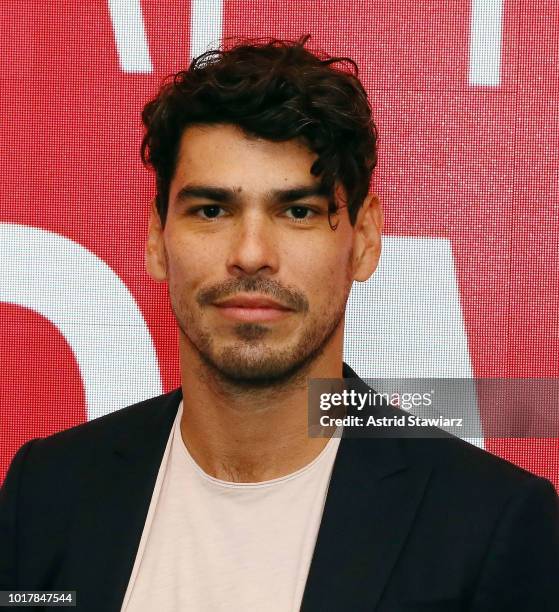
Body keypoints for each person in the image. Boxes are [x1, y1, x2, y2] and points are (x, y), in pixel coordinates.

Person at [1, 36, 558, 612]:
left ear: (364, 240)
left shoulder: (490, 524)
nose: (250, 253)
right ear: (156, 237)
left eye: (298, 211)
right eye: (211, 210)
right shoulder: (47, 493)